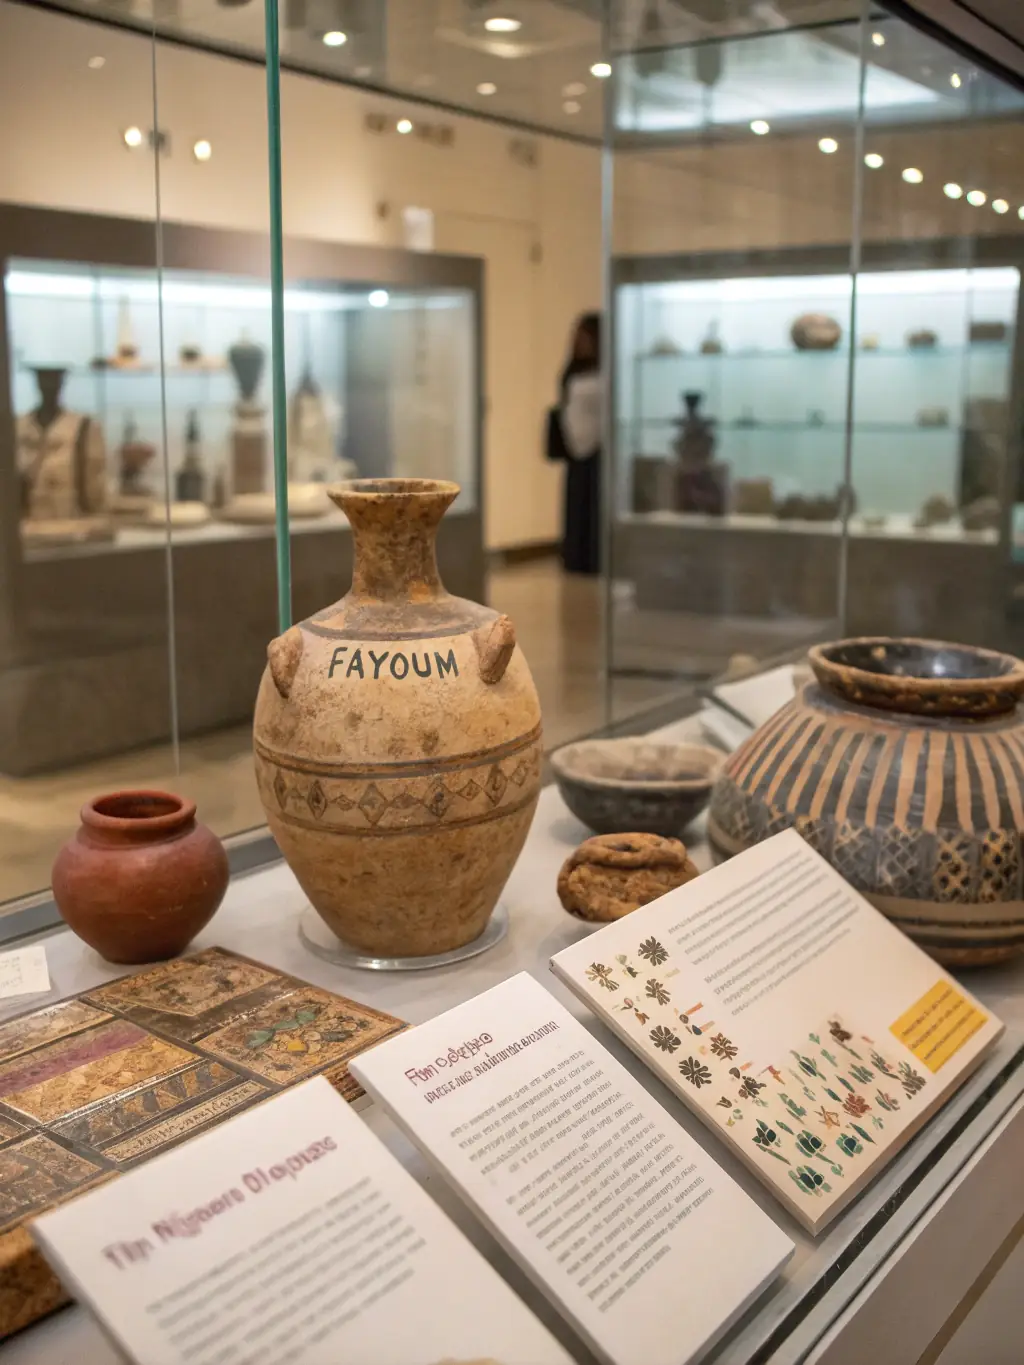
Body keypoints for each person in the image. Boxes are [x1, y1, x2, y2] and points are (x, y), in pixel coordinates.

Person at [548, 311, 601, 575]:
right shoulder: (573, 371)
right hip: (575, 450)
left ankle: (593, 559)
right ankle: (574, 558)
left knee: (593, 509)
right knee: (576, 506)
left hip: (597, 451)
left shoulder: (603, 373)